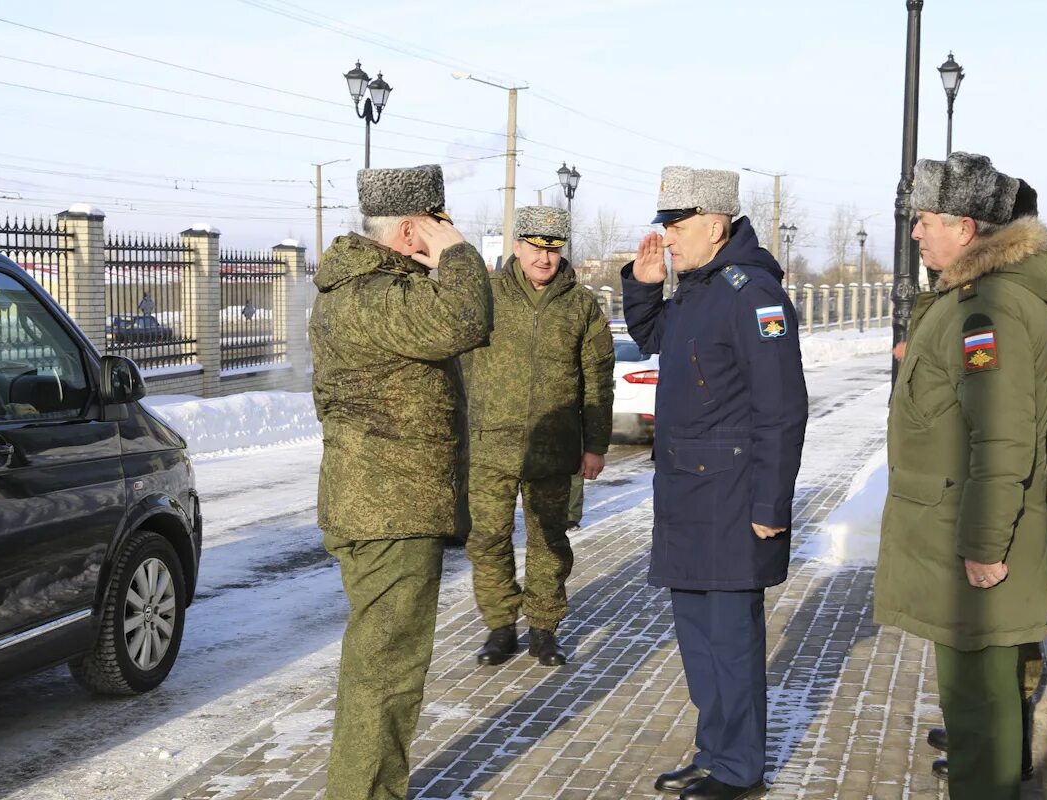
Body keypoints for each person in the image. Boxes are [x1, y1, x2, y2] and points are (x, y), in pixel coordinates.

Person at [874, 152, 1047, 800]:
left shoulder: (989, 309)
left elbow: (1004, 436)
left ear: (966, 226)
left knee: (979, 719)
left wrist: (983, 545)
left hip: (973, 548)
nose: (916, 234)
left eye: (924, 222)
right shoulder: (973, 299)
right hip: (958, 537)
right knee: (980, 716)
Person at [622, 166, 808, 800]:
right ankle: (716, 752)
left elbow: (782, 408)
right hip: (686, 495)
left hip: (732, 500)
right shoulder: (699, 289)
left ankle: (739, 768)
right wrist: (645, 288)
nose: (667, 238)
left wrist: (770, 503)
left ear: (714, 222)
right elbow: (658, 339)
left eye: (675, 226)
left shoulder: (752, 294)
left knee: (731, 643)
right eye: (664, 226)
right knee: (699, 643)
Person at [309, 164, 492, 800]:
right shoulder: (375, 295)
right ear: (412, 228)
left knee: (382, 669)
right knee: (386, 674)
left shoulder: (367, 290)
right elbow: (467, 320)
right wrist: (460, 252)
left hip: (384, 505)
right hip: (389, 511)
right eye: (437, 224)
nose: (444, 234)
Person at [926, 178, 1047, 782]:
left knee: (1006, 642)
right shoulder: (1031, 288)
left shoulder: (1019, 298)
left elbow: (1013, 414)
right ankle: (988, 733)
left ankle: (1001, 745)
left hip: (1014, 476)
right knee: (997, 647)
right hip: (1016, 470)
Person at [463, 205, 615, 667]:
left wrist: (595, 445)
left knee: (549, 540)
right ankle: (500, 627)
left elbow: (597, 379)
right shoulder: (485, 296)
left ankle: (543, 628)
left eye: (552, 250)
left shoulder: (581, 305)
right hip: (490, 445)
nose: (544, 259)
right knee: (487, 538)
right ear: (517, 247)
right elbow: (460, 367)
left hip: (555, 446)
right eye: (534, 248)